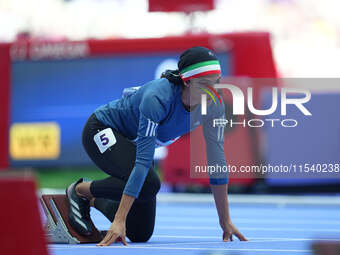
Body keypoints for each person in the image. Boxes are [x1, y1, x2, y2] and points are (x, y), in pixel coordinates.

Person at [65, 46, 248, 246]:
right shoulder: (158, 98)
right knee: (150, 183)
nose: (212, 90)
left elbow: (217, 162)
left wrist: (225, 220)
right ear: (187, 81)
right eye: (205, 83)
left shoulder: (214, 105)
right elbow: (143, 162)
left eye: (217, 81)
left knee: (140, 233)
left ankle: (93, 199)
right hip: (101, 129)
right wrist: (119, 220)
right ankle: (80, 191)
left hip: (133, 143)